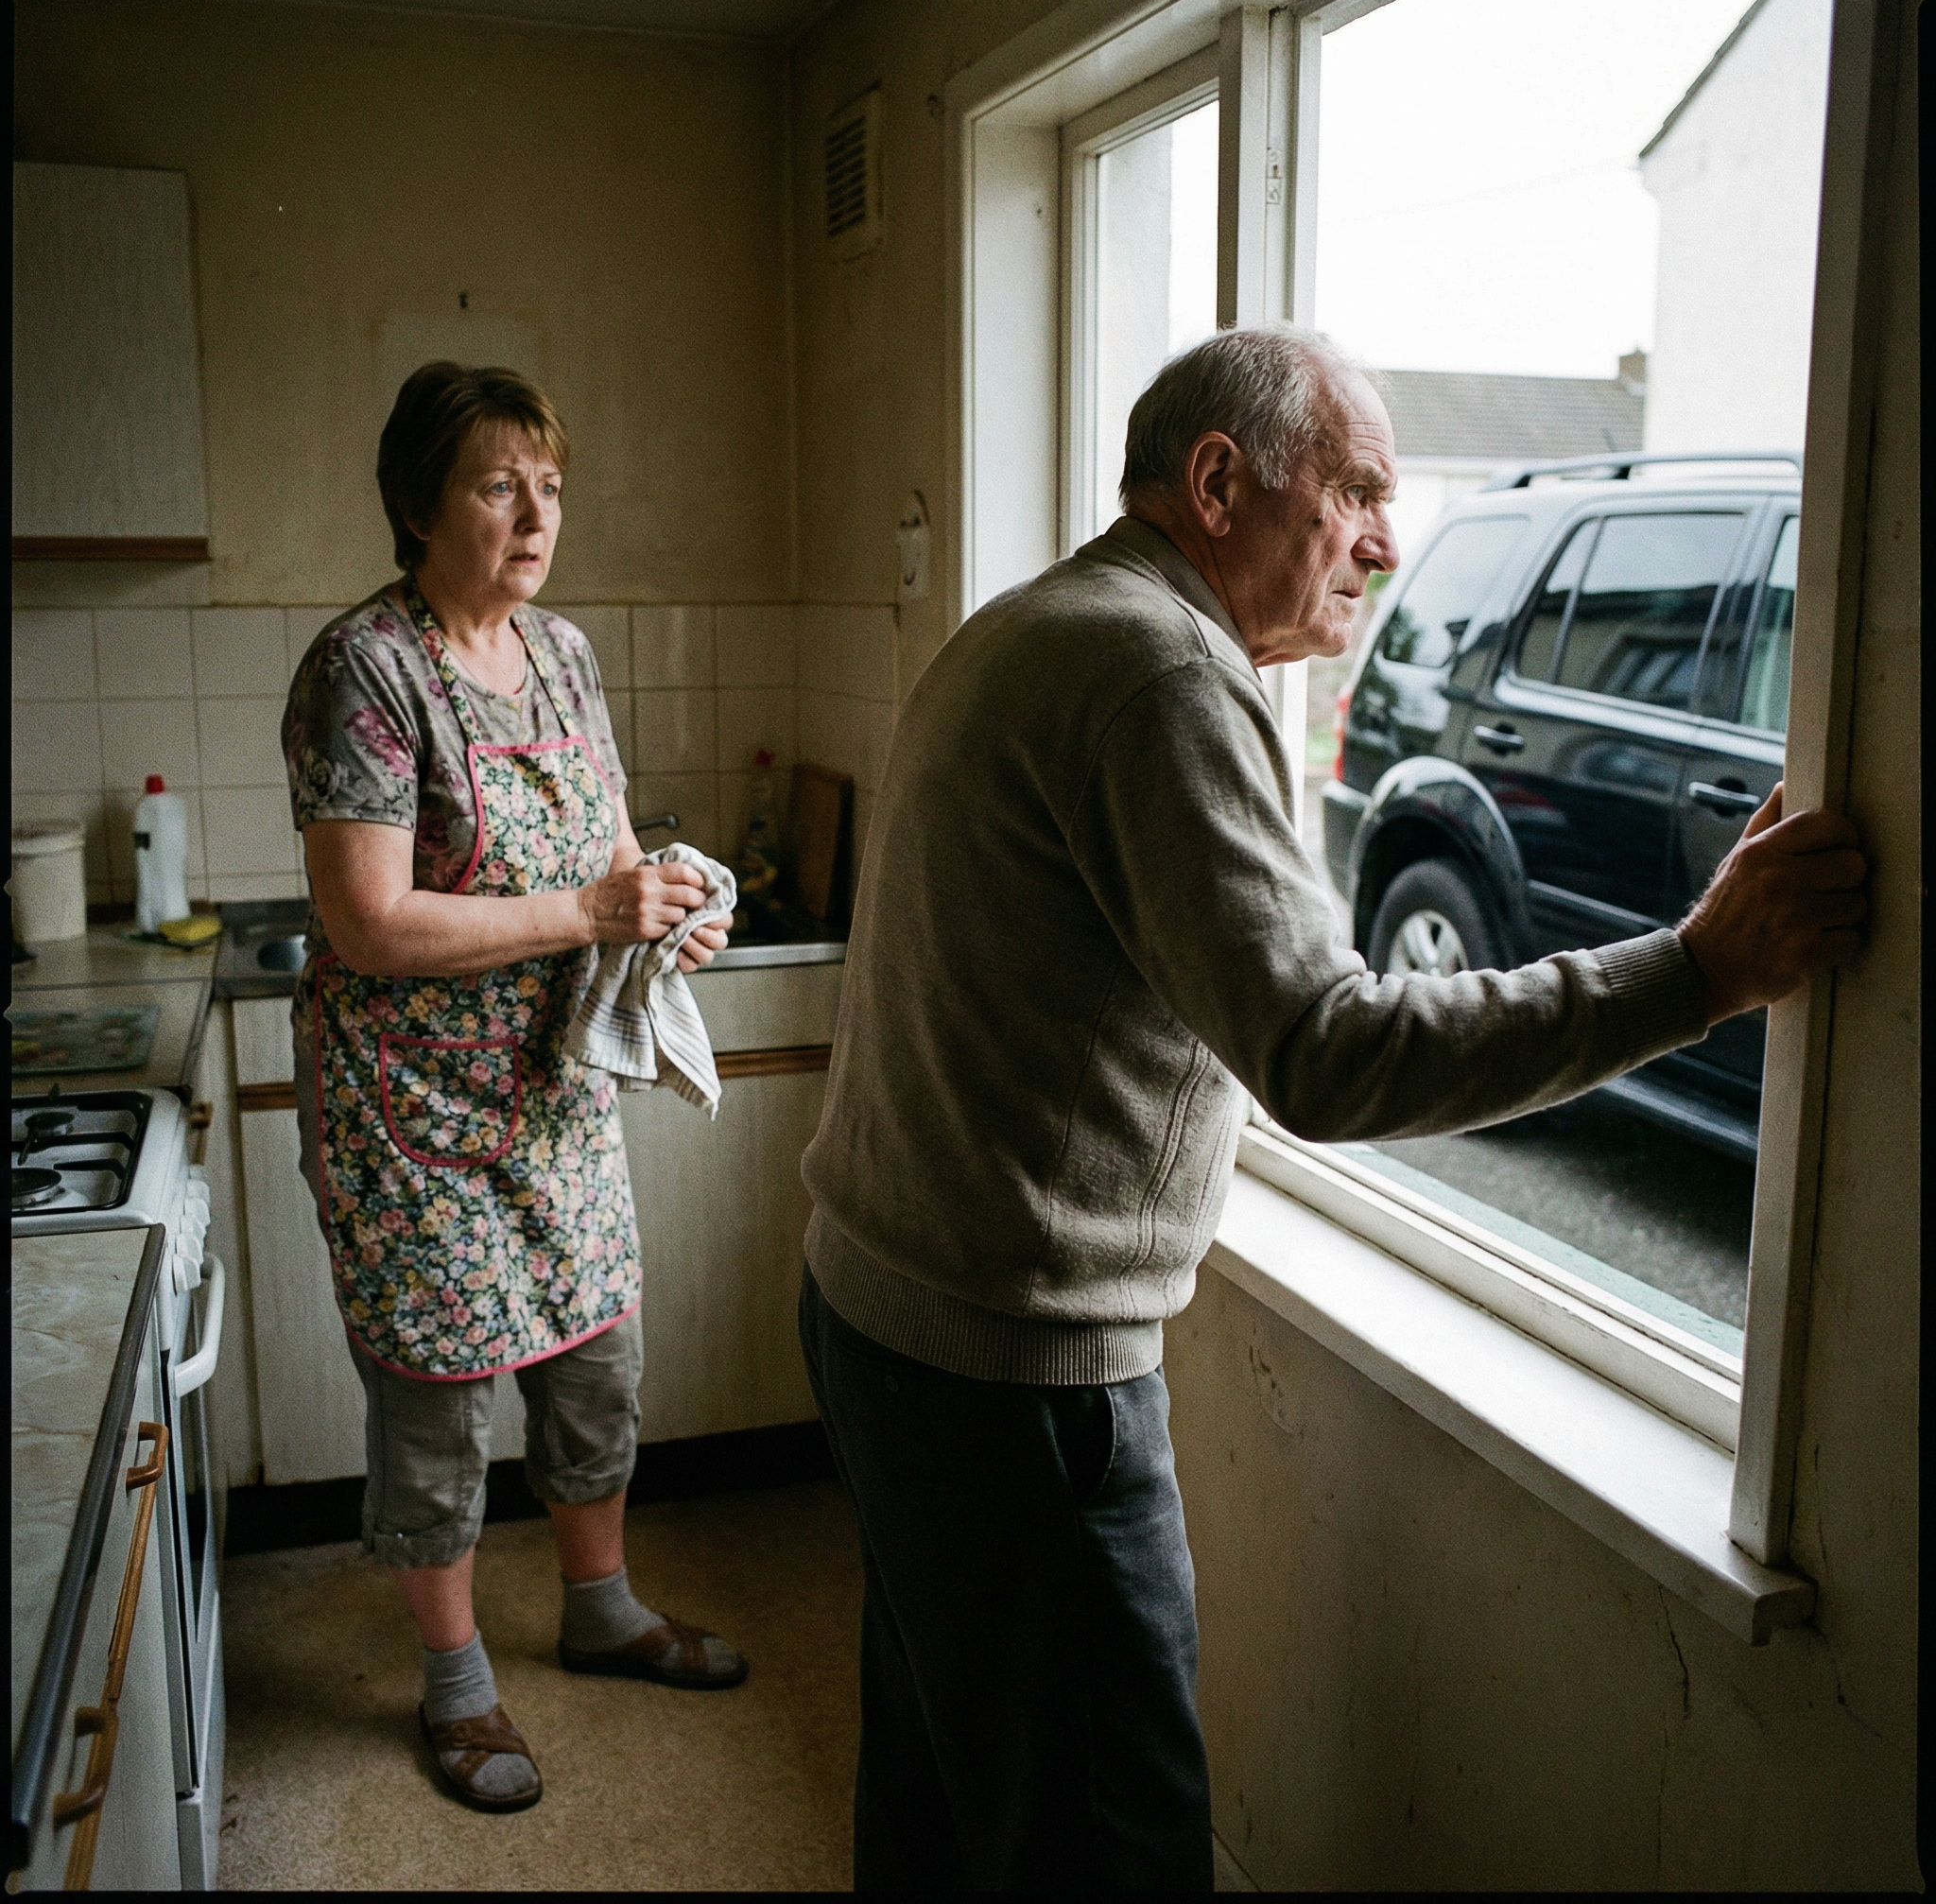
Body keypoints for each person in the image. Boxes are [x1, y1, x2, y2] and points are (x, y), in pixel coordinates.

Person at [795, 324, 1867, 1889]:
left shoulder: (1042, 619)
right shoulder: (1160, 668)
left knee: (946, 1805)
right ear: (1220, 484)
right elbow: (1329, 1053)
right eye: (1356, 490)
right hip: (1010, 1379)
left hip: (883, 1315)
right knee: (1113, 1844)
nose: (1385, 536)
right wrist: (1698, 971)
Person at [282, 363, 746, 1816]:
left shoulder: (563, 654)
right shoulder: (364, 668)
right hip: (408, 1114)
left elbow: (604, 858)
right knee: (435, 1401)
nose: (537, 511)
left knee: (596, 1357)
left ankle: (600, 1607)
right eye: (498, 482)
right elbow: (370, 922)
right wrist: (596, 916)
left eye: (549, 483)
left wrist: (665, 902)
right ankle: (455, 1684)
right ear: (420, 502)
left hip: (553, 1096)